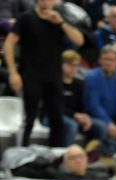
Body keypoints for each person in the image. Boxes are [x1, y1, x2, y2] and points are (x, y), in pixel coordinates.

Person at [3, 0, 85, 147]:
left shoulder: (58, 19)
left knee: (57, 119)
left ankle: (55, 153)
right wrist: (13, 72)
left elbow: (79, 41)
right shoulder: (26, 18)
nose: (47, 2)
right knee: (29, 120)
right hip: (31, 75)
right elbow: (9, 44)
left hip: (53, 76)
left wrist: (61, 23)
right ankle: (22, 153)